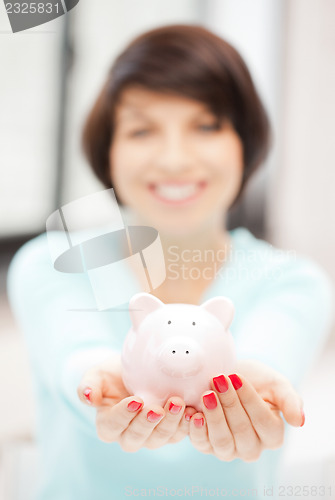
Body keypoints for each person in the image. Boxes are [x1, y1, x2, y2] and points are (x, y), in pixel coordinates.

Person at [7, 25, 334, 500]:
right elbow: (74, 357)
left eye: (206, 126)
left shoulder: (292, 282)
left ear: (246, 143)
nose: (175, 159)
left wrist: (253, 397)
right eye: (143, 130)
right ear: (109, 151)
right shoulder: (54, 261)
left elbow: (263, 369)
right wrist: (100, 384)